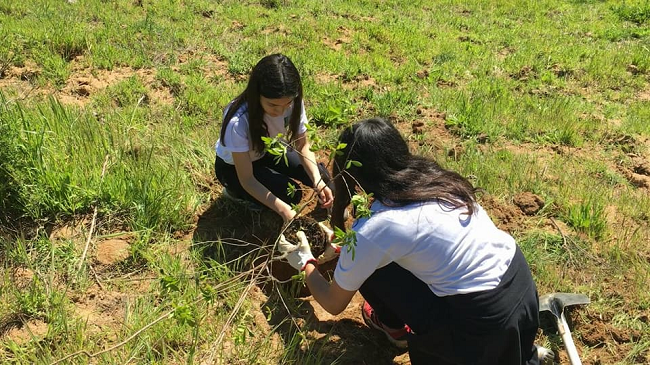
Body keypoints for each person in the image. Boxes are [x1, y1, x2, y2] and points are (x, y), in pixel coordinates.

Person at [278, 118, 553, 364]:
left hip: (484, 326)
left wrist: (305, 262)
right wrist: (343, 249)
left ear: (352, 176)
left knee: (372, 272)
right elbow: (419, 242)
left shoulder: (375, 228)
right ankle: (520, 353)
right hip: (522, 292)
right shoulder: (435, 181)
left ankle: (504, 355)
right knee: (374, 265)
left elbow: (333, 303)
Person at [214, 54, 333, 222]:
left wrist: (318, 181)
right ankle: (233, 191)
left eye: (287, 104)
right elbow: (247, 179)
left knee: (322, 176)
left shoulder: (292, 100)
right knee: (290, 195)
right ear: (257, 95)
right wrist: (284, 210)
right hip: (233, 167)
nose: (281, 111)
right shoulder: (238, 122)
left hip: (267, 149)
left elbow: (303, 145)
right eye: (273, 105)